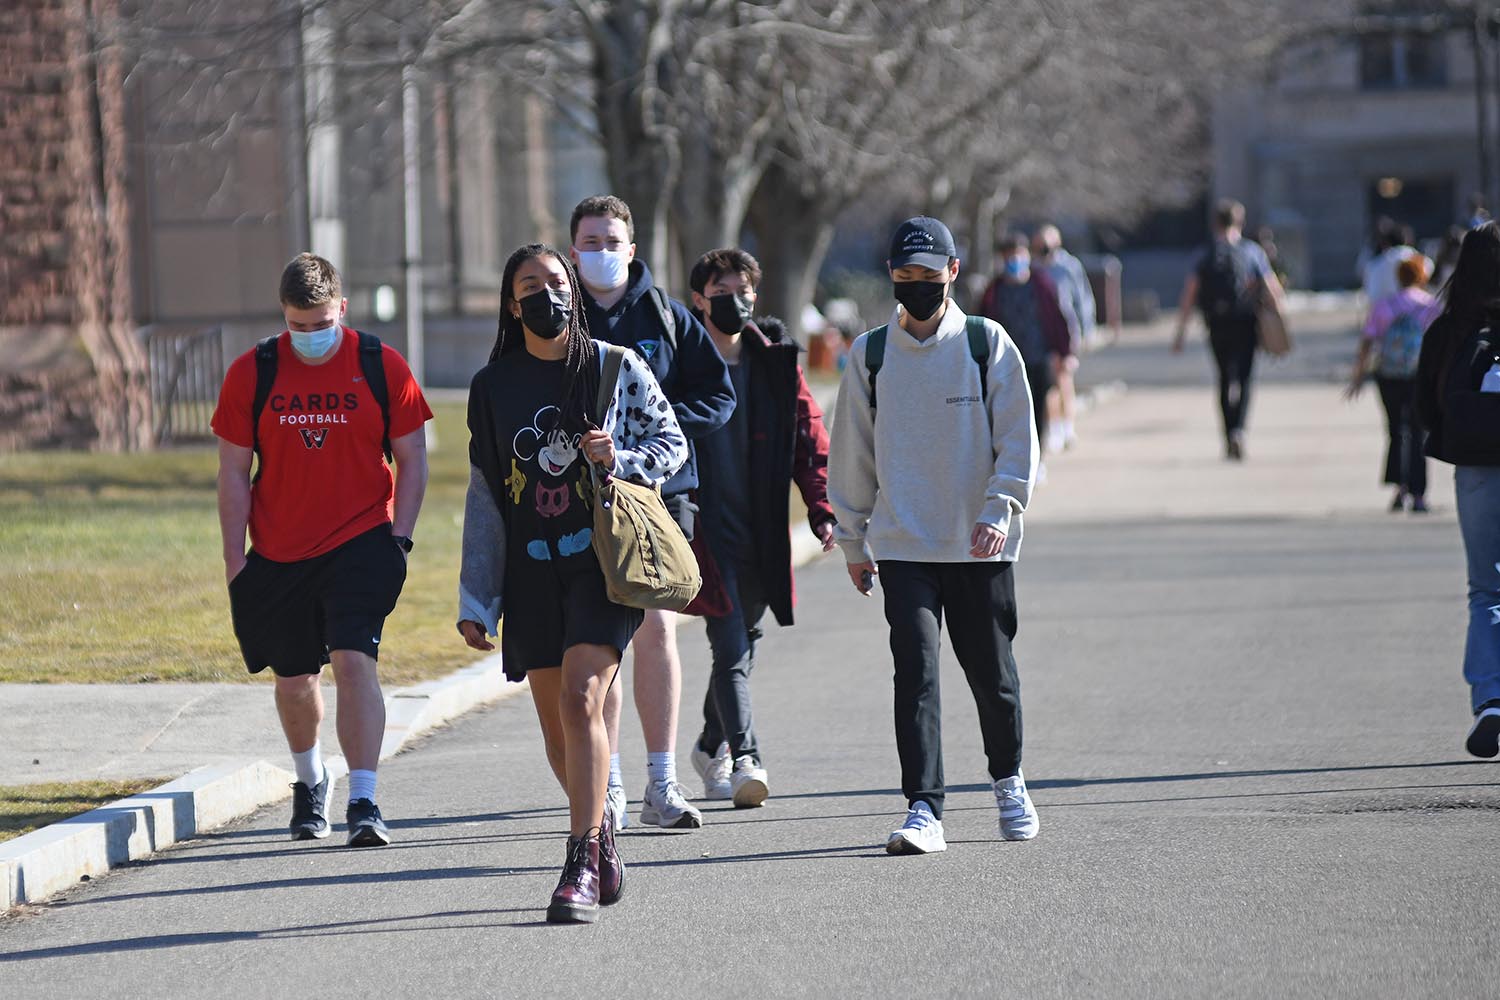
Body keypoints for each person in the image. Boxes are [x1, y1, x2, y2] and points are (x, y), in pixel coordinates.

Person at [457, 243, 687, 923]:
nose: (545, 294)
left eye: (555, 282)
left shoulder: (615, 367)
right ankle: (604, 836)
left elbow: (673, 444)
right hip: (530, 572)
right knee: (562, 733)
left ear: (573, 291)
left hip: (602, 568)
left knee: (585, 698)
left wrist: (625, 458)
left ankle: (580, 860)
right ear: (511, 302)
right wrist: (477, 596)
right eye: (529, 285)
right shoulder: (492, 387)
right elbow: (486, 496)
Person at [828, 216, 1041, 855]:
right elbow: (852, 453)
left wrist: (1001, 508)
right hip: (902, 543)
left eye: (928, 274)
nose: (916, 285)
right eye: (904, 275)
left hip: (978, 542)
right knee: (914, 672)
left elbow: (1018, 438)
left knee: (992, 674)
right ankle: (924, 807)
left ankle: (1009, 781)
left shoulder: (986, 344)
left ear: (951, 272)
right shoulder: (870, 355)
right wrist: (852, 538)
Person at [212, 252, 432, 846]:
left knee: (354, 659)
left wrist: (401, 534)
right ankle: (311, 781)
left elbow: (413, 458)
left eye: (320, 323)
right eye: (296, 325)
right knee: (294, 679)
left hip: (362, 539)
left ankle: (364, 798)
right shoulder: (252, 372)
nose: (308, 336)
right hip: (279, 550)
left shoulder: (380, 364)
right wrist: (236, 559)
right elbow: (233, 473)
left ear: (342, 308)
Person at [567, 195, 736, 831]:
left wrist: (651, 438)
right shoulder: (559, 313)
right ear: (571, 246)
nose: (600, 252)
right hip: (580, 501)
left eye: (611, 240)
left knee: (657, 626)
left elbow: (716, 396)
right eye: (589, 241)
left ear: (631, 249)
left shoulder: (665, 316)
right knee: (604, 635)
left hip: (661, 495)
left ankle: (661, 783)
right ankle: (606, 783)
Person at [681, 247, 837, 806]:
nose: (739, 301)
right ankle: (746, 755)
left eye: (746, 290)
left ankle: (706, 744)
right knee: (728, 646)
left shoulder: (775, 365)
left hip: (762, 530)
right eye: (724, 292)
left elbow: (809, 444)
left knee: (743, 645)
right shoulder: (681, 366)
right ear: (699, 300)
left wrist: (823, 510)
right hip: (701, 531)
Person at [1415, 221, 1500, 760]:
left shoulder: (1447, 332)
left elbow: (1427, 410)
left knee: (1487, 590)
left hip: (1476, 468)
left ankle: (1492, 698)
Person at [1171, 199, 1287, 461]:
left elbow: (1190, 293)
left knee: (1224, 378)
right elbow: (1273, 290)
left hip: (1217, 323)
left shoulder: (1204, 254)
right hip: (1245, 322)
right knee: (1244, 379)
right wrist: (1278, 320)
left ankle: (1228, 433)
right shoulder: (1252, 251)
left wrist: (1180, 332)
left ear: (1214, 223)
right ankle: (1240, 430)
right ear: (1240, 222)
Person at [1345, 256, 1435, 512]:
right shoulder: (1430, 306)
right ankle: (1419, 494)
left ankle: (1399, 489)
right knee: (1419, 432)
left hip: (1389, 375)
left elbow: (1367, 342)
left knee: (1396, 429)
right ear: (1421, 277)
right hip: (1419, 376)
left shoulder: (1384, 306)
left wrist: (1358, 377)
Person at [978, 232, 1072, 456]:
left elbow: (1057, 319)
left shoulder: (1042, 285)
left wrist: (1064, 352)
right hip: (1006, 362)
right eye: (1009, 255)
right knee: (1011, 411)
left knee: (1038, 409)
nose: (1014, 260)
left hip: (1037, 358)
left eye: (1018, 254)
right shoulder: (994, 290)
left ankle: (1037, 456)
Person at [1032, 224, 1097, 451]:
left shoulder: (1069, 267)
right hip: (1042, 332)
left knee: (1064, 378)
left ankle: (1068, 426)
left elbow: (1082, 299)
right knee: (1049, 383)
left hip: (1067, 331)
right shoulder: (1033, 269)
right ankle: (1054, 427)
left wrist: (1087, 330)